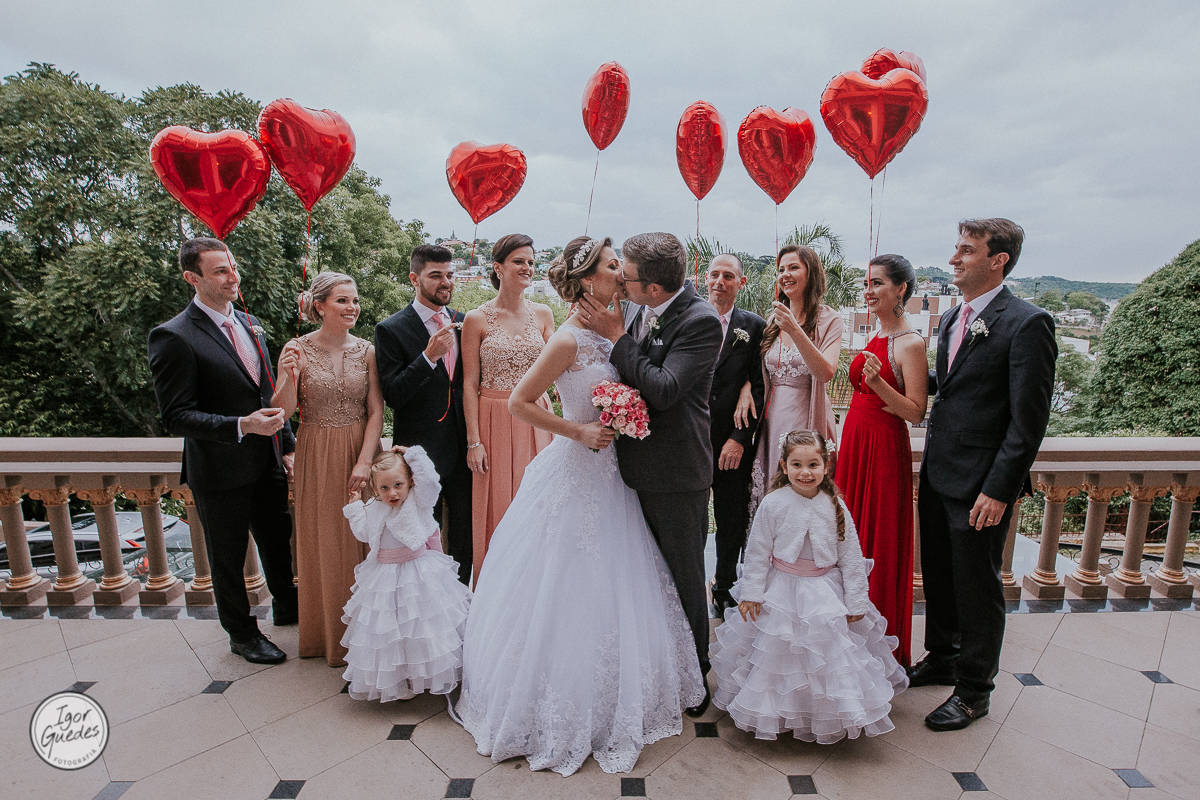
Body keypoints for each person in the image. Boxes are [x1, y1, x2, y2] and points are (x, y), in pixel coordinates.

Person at [458, 236, 704, 777]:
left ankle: (625, 687)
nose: (624, 272)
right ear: (590, 279)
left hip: (618, 476)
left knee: (623, 578)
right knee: (568, 580)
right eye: (615, 265)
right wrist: (578, 431)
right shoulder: (567, 339)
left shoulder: (621, 325)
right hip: (577, 468)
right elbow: (520, 402)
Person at [910, 219, 1056, 731]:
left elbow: (1028, 421)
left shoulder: (1028, 323)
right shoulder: (953, 317)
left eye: (966, 250)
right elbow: (952, 384)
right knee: (940, 577)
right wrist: (896, 375)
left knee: (977, 587)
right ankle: (943, 657)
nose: (954, 258)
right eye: (956, 248)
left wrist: (998, 490)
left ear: (998, 260)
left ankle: (974, 691)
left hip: (980, 485)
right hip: (938, 473)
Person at [578, 232, 723, 715]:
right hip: (629, 469)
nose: (621, 281)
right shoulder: (635, 307)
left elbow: (663, 389)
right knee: (647, 575)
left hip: (677, 472)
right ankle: (659, 667)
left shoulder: (700, 320)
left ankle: (696, 676)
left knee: (684, 576)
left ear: (654, 288)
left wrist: (618, 339)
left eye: (628, 276)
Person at [147, 238, 298, 665]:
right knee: (228, 557)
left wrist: (286, 445)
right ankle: (242, 634)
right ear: (192, 278)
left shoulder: (251, 323)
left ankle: (288, 608)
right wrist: (241, 425)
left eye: (233, 267)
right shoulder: (173, 336)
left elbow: (268, 393)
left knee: (277, 543)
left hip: (267, 461)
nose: (234, 277)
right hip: (218, 470)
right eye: (220, 271)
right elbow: (176, 416)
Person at [711, 429, 907, 743]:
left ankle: (820, 713)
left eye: (813, 465)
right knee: (778, 657)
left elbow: (851, 556)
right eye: (797, 465)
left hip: (824, 591)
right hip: (781, 589)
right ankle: (777, 713)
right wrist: (752, 593)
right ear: (784, 465)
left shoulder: (835, 505)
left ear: (826, 465)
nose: (805, 472)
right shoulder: (773, 503)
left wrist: (856, 600)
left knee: (825, 658)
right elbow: (758, 551)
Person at [271, 272, 384, 667]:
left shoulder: (367, 351)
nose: (352, 307)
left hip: (360, 448)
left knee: (366, 540)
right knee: (324, 542)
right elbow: (281, 412)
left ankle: (371, 637)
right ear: (319, 306)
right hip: (316, 450)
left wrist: (365, 461)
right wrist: (289, 376)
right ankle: (328, 637)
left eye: (355, 300)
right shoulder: (296, 348)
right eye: (342, 300)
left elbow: (376, 411)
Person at [834, 255, 928, 668]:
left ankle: (878, 651)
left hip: (883, 449)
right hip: (855, 444)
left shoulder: (911, 344)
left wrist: (877, 383)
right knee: (848, 536)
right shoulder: (875, 334)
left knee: (877, 538)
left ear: (901, 289)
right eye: (866, 284)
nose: (869, 291)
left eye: (877, 283)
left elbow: (915, 412)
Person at [341, 446, 472, 702]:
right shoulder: (374, 507)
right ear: (375, 488)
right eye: (384, 488)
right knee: (390, 630)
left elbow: (431, 481)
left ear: (410, 481)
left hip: (418, 572)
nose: (392, 493)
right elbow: (364, 533)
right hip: (384, 576)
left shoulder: (418, 500)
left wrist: (415, 455)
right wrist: (355, 507)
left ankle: (425, 672)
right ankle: (400, 676)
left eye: (398, 485)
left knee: (420, 626)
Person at [461, 234, 555, 583]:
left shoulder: (543, 313)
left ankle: (537, 588)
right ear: (498, 267)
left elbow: (558, 369)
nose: (527, 267)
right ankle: (497, 590)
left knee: (537, 502)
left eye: (531, 261)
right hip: (493, 420)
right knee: (499, 504)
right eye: (519, 261)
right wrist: (474, 441)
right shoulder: (476, 319)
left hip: (537, 419)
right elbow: (469, 384)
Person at [375, 244, 472, 584]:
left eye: (449, 275)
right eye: (436, 275)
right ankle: (429, 599)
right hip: (419, 452)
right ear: (414, 279)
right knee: (423, 535)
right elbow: (393, 394)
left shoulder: (464, 321)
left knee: (464, 533)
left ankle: (461, 598)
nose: (446, 282)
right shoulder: (391, 329)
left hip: (465, 448)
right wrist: (428, 358)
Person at [742, 245, 843, 518]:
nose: (785, 274)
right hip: (772, 420)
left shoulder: (829, 319)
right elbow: (759, 369)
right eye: (781, 269)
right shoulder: (773, 320)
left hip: (806, 416)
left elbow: (826, 372)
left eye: (793, 267)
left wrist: (795, 329)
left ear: (811, 273)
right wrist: (747, 386)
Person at [703, 254, 766, 618]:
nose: (720, 282)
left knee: (730, 519)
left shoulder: (754, 326)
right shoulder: (688, 318)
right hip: (692, 441)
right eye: (715, 274)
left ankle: (724, 586)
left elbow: (760, 384)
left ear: (741, 283)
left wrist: (740, 437)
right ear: (705, 278)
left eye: (728, 276)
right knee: (693, 520)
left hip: (731, 442)